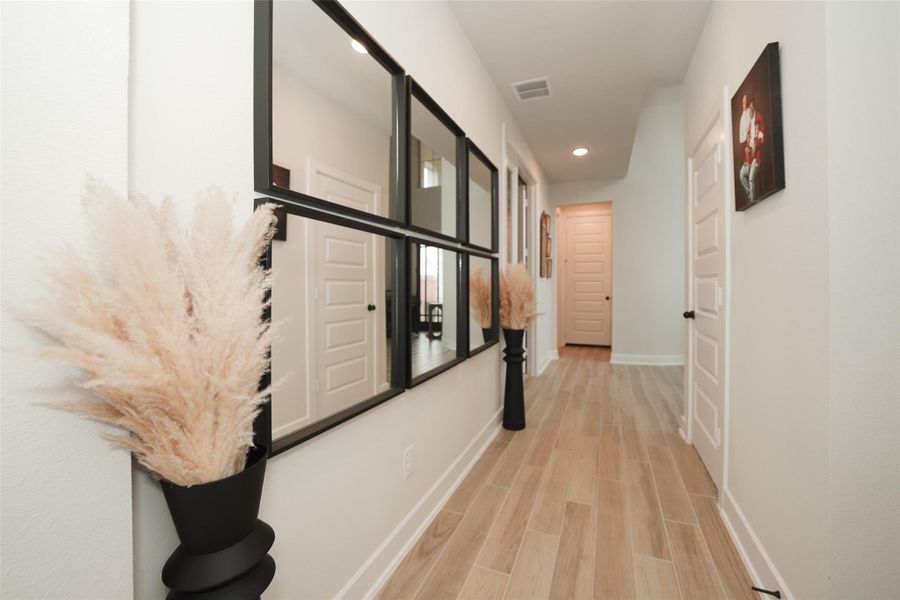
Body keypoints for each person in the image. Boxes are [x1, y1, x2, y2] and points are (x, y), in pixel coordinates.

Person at [740, 96, 765, 202]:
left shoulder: (759, 118)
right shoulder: (749, 124)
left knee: (751, 178)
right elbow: (747, 142)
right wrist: (747, 151)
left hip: (757, 157)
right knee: (742, 175)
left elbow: (762, 138)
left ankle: (753, 201)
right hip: (749, 159)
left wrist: (756, 145)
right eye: (749, 109)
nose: (750, 111)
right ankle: (750, 195)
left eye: (751, 109)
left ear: (754, 107)